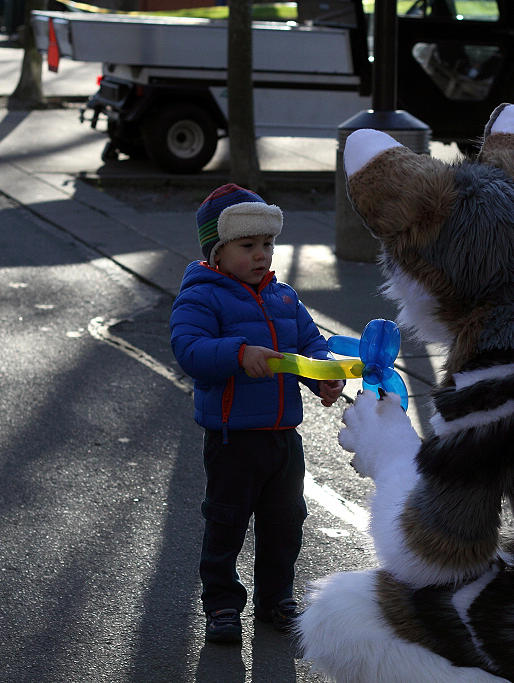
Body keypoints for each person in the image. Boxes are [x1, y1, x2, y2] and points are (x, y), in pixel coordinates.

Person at [170, 184, 344, 644]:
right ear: (217, 251)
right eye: (247, 246)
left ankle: (276, 599)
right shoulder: (202, 296)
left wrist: (324, 376)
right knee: (225, 523)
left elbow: (309, 345)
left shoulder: (284, 297)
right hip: (233, 440)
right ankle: (222, 604)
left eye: (267, 244)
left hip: (283, 438)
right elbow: (189, 349)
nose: (261, 255)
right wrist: (238, 352)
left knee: (285, 523)